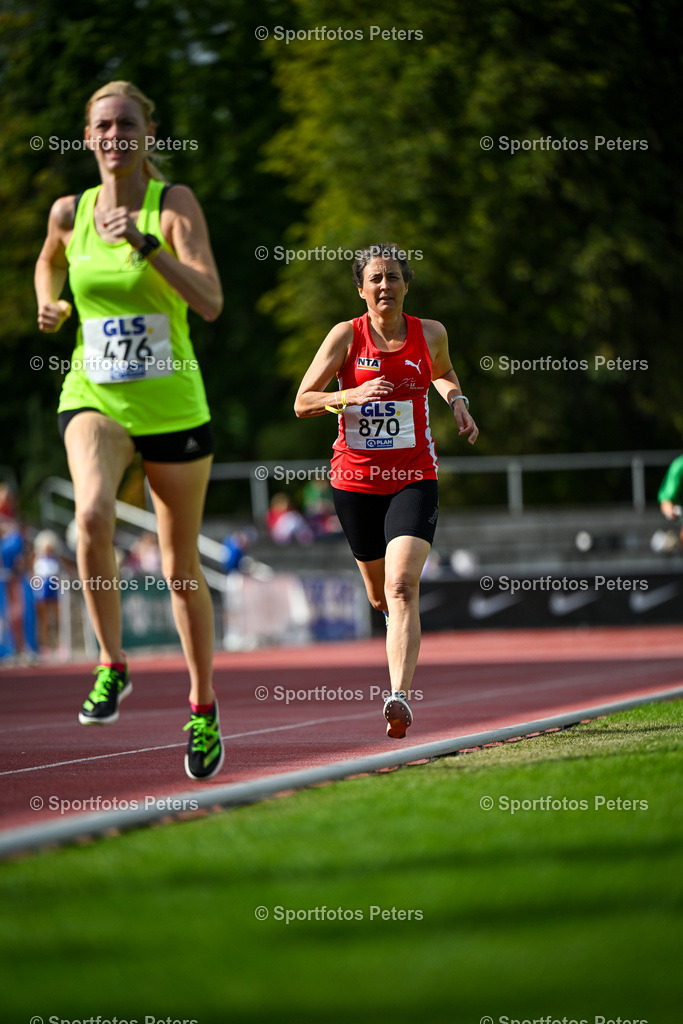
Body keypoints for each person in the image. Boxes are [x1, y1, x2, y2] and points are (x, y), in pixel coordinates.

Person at [35, 81, 224, 780]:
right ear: (87, 137)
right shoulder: (69, 211)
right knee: (88, 515)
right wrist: (47, 303)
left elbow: (209, 300)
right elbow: (50, 259)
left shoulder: (171, 206)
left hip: (173, 406)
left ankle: (202, 709)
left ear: (148, 134)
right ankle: (113, 663)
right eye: (102, 126)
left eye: (127, 125)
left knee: (179, 571)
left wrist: (147, 246)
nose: (114, 137)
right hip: (95, 395)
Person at [295, 244, 479, 739]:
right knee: (379, 595)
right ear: (361, 288)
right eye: (375, 279)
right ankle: (390, 621)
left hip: (414, 475)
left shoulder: (431, 332)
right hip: (354, 482)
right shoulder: (345, 337)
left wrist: (457, 400)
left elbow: (442, 371)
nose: (384, 286)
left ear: (405, 283)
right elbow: (302, 402)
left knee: (402, 586)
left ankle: (398, 694)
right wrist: (347, 395)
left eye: (393, 277)